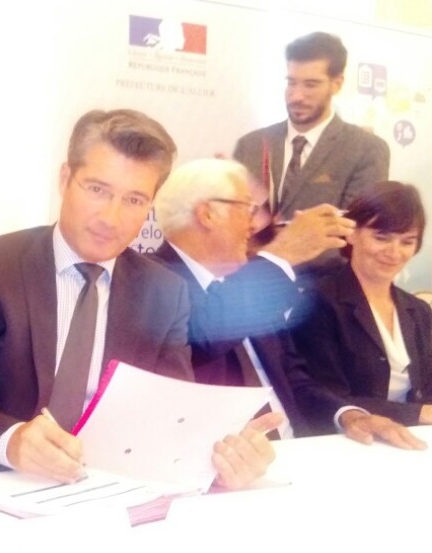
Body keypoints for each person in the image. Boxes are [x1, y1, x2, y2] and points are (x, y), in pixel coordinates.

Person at [0, 109, 281, 491]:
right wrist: (11, 442)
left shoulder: (164, 292)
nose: (111, 217)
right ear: (65, 179)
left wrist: (220, 461)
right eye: (97, 190)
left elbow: (171, 420)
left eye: (134, 199)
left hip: (102, 489)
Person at [153, 159, 425, 449]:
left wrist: (349, 415)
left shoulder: (249, 285)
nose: (255, 224)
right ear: (207, 214)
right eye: (248, 209)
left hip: (301, 449)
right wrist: (282, 252)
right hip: (226, 461)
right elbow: (198, 338)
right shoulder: (152, 280)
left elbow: (294, 379)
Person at [291, 181, 432, 432]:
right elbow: (324, 395)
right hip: (347, 438)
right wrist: (416, 414)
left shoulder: (419, 310)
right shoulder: (317, 302)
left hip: (415, 436)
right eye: (382, 238)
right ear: (352, 233)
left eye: (407, 242)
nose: (394, 252)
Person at [233, 32, 389, 222]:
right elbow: (235, 222)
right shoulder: (250, 146)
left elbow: (356, 228)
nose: (296, 96)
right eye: (291, 83)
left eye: (310, 85)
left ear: (337, 84)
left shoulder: (365, 150)